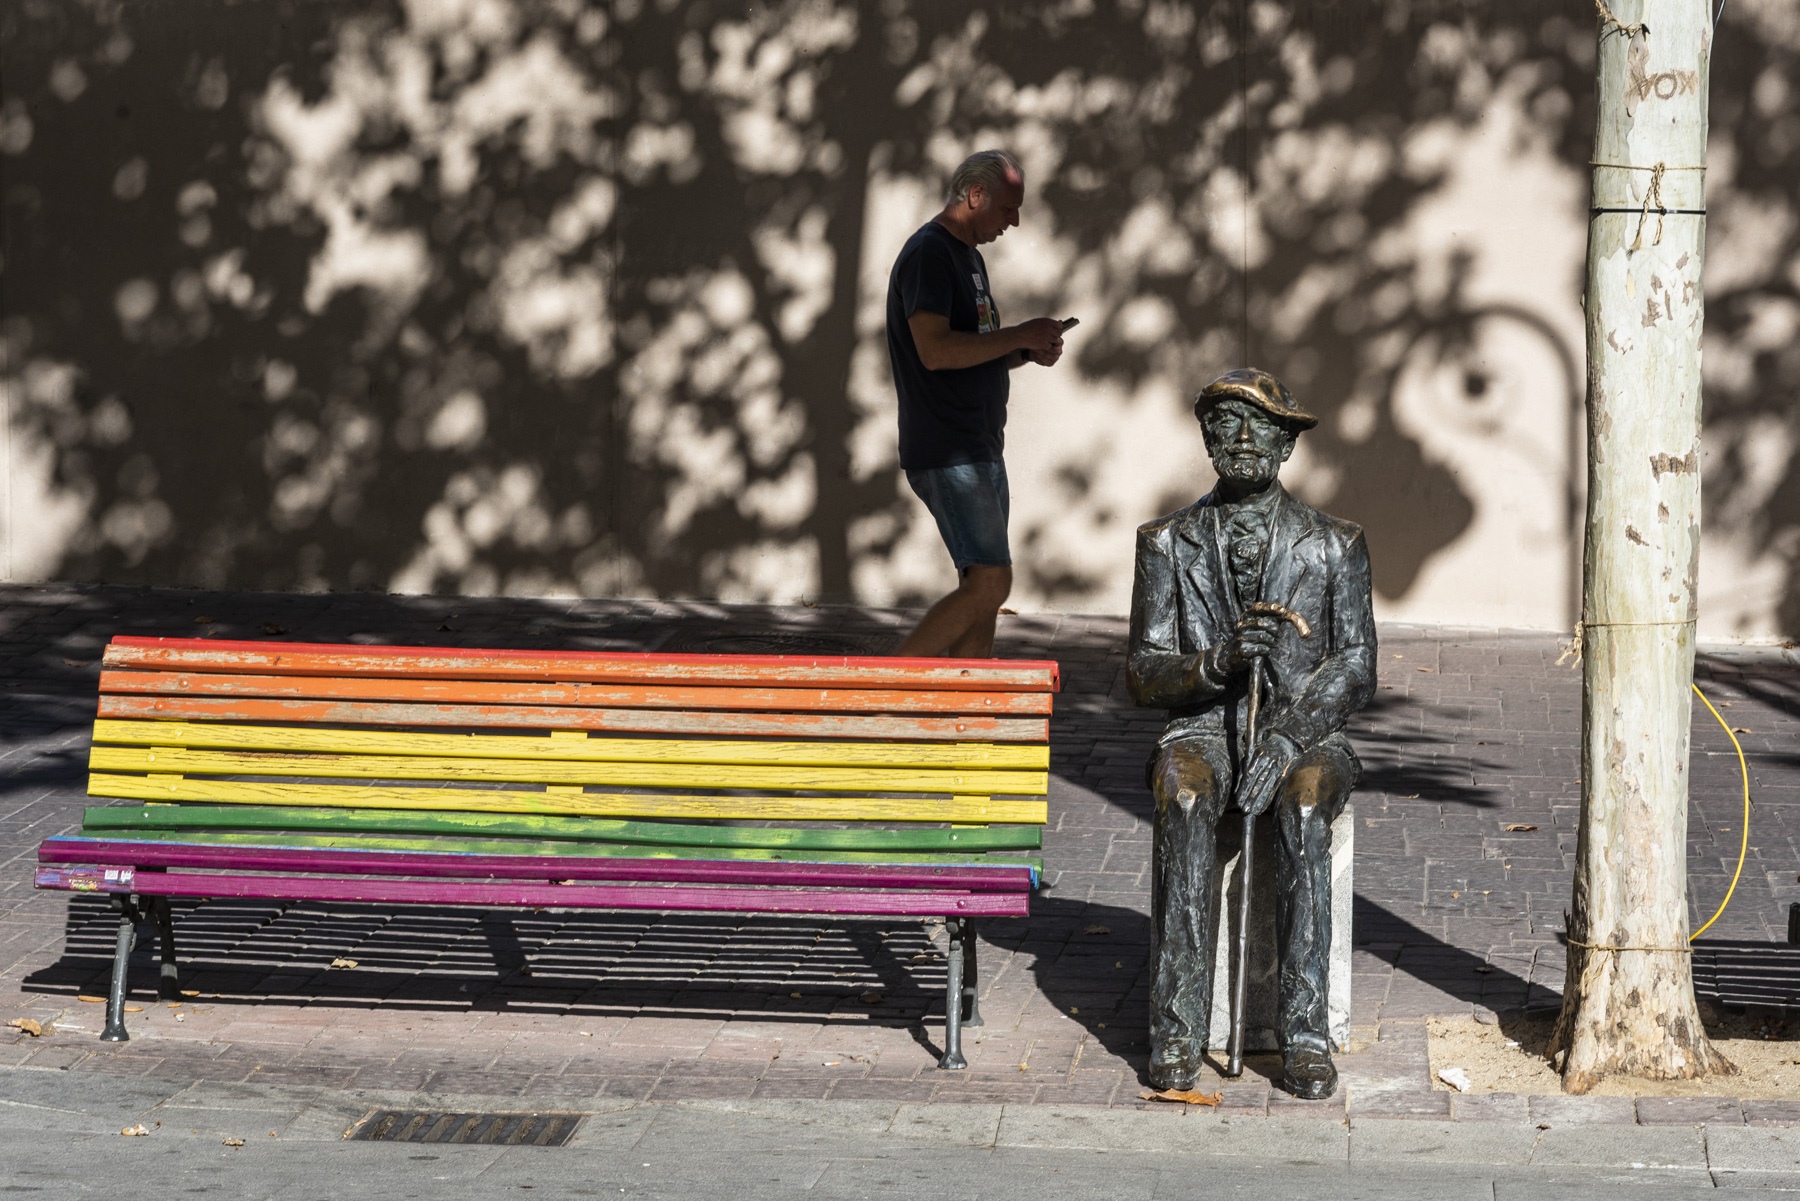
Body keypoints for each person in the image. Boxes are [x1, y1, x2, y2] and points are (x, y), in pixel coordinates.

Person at [1126, 368, 1376, 1100]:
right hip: (1203, 727)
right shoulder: (1166, 543)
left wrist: (1290, 734)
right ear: (1205, 439)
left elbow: (1357, 664)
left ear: (1286, 442)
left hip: (1305, 734)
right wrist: (1215, 663)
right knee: (1186, 798)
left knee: (1302, 809)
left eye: (1258, 426)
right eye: (1225, 424)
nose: (1240, 439)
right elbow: (1143, 671)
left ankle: (1304, 1033)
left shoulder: (1336, 545)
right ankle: (1177, 1026)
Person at [886, 149, 1068, 657]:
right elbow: (936, 351)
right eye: (1008, 208)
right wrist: (1018, 333)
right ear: (975, 195)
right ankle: (885, 694)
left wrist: (1024, 351)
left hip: (980, 447)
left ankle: (966, 723)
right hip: (949, 450)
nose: (1014, 220)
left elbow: (972, 352)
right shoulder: (930, 253)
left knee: (980, 591)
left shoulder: (969, 257)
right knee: (991, 584)